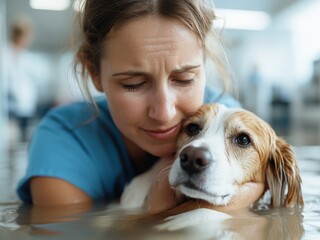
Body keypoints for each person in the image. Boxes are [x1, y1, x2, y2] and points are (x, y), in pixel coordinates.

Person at [16, 0, 264, 214]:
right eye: (133, 84)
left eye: (184, 79)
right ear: (94, 73)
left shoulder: (227, 119)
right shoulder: (63, 142)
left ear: (203, 63)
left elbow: (268, 174)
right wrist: (157, 203)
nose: (164, 112)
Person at [6, 16, 38, 142]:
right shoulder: (5, 54)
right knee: (10, 141)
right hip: (10, 108)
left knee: (22, 142)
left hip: (25, 108)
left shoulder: (26, 57)